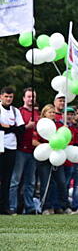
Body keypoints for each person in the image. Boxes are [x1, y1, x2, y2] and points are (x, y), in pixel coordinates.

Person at [33, 104, 68, 215]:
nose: (52, 114)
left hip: (57, 156)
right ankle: (46, 207)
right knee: (46, 183)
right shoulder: (40, 125)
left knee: (61, 182)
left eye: (53, 112)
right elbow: (34, 141)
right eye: (50, 112)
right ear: (44, 113)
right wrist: (48, 147)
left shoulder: (59, 125)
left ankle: (59, 206)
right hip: (44, 156)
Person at [9, 88, 38, 214]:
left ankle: (29, 206)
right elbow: (15, 129)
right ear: (24, 98)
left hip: (34, 151)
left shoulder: (38, 114)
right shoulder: (18, 112)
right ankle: (12, 206)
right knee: (15, 180)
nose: (31, 99)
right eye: (29, 96)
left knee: (30, 182)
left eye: (33, 97)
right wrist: (27, 127)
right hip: (20, 149)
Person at [0, 87, 25, 215]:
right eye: (6, 96)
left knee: (7, 179)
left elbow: (21, 129)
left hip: (11, 147)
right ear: (1, 97)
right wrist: (13, 128)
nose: (8, 99)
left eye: (10, 97)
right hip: (0, 146)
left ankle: (4, 207)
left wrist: (7, 127)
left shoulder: (15, 111)